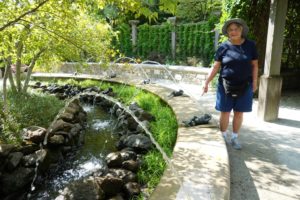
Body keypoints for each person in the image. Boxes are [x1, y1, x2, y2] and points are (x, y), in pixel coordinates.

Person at [202, 18, 259, 150]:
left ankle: (234, 138)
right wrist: (206, 82)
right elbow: (216, 67)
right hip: (225, 85)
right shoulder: (223, 47)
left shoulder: (250, 45)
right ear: (227, 33)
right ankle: (223, 136)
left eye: (236, 29)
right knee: (225, 112)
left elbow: (255, 65)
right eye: (230, 30)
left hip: (245, 86)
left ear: (241, 30)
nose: (233, 32)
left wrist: (255, 82)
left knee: (239, 113)